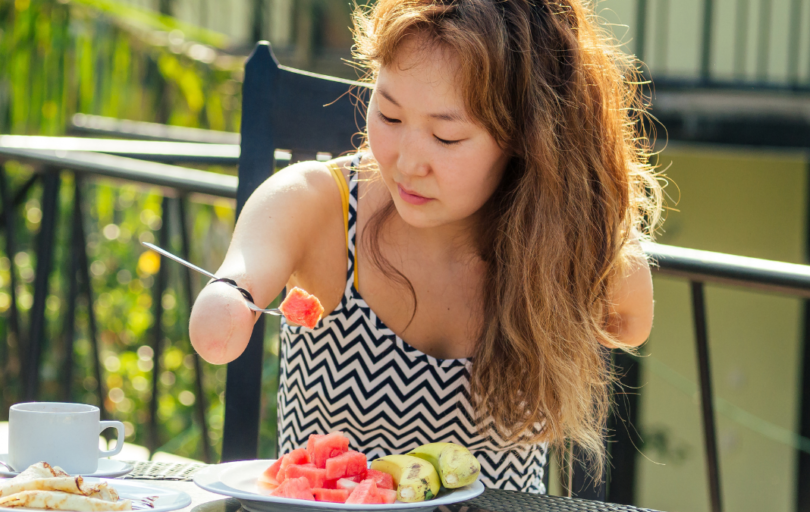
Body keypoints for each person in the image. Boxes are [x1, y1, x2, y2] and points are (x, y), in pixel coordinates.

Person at [189, 0, 662, 493]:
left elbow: (630, 325)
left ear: (528, 138)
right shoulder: (315, 204)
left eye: (446, 136)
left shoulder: (556, 241)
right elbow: (242, 272)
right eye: (390, 115)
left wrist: (581, 217)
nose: (408, 162)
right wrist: (230, 298)